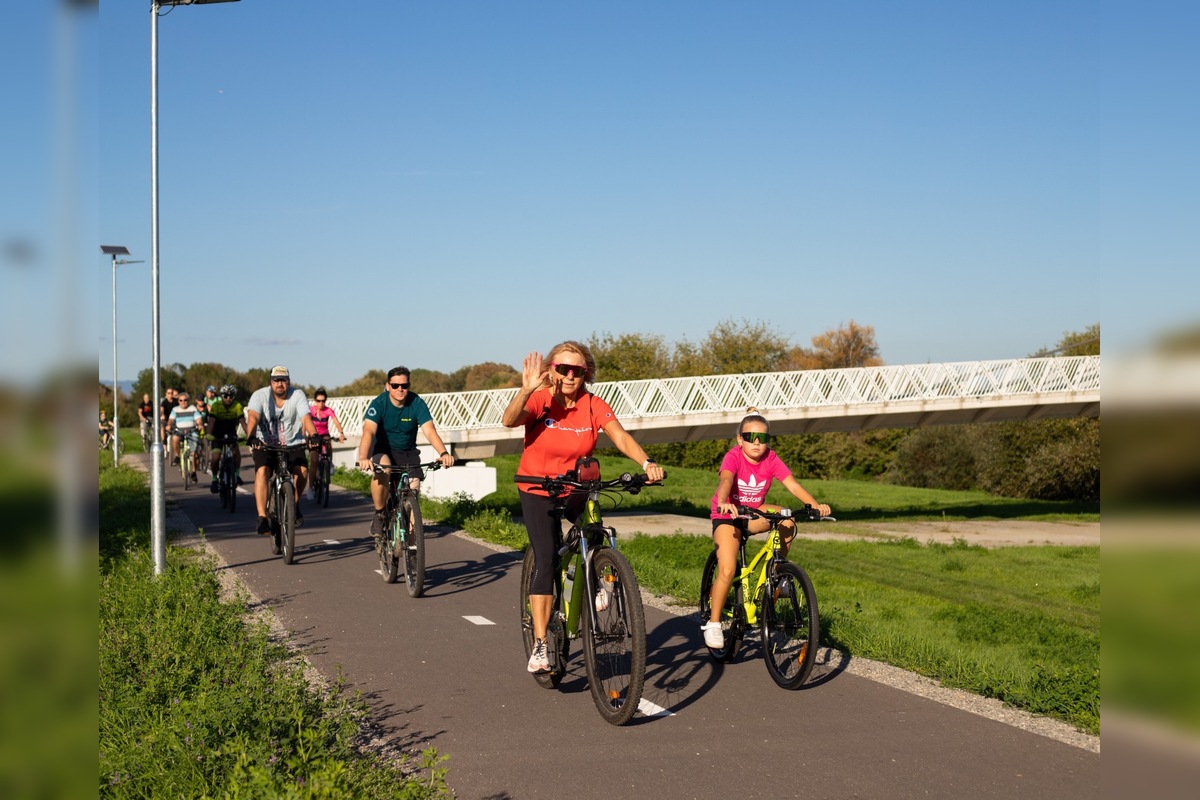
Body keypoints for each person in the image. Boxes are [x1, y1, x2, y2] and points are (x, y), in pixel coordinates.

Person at [501, 341, 665, 674]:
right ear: (551, 370)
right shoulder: (540, 398)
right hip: (537, 487)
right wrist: (525, 390)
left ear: (585, 373)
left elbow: (619, 436)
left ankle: (597, 577)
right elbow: (509, 420)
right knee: (546, 558)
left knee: (595, 528)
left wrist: (647, 463)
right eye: (562, 369)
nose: (570, 376)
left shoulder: (592, 404)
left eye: (577, 370)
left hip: (574, 485)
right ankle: (541, 643)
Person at [701, 409, 831, 649]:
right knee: (728, 570)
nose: (757, 443)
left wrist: (815, 506)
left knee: (788, 519)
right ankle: (714, 623)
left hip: (755, 512)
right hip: (728, 515)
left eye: (763, 438)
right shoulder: (733, 456)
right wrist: (723, 500)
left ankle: (777, 573)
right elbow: (726, 480)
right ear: (740, 439)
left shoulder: (771, 458)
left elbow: (792, 484)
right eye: (750, 437)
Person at [355, 367, 455, 537]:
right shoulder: (379, 403)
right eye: (395, 385)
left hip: (408, 452)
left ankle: (412, 545)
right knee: (383, 468)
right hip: (384, 450)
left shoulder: (416, 402)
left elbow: (429, 430)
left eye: (404, 385)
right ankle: (380, 513)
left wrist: (444, 453)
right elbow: (369, 431)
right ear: (388, 386)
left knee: (413, 489)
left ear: (409, 385)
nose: (400, 389)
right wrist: (363, 457)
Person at [244, 366, 318, 535]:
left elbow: (306, 417)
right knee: (262, 472)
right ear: (270, 382)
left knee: (303, 471)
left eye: (283, 380)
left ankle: (294, 504)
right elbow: (253, 416)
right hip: (264, 444)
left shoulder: (297, 395)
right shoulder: (259, 395)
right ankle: (262, 517)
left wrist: (313, 435)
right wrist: (252, 436)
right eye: (276, 380)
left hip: (293, 443)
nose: (279, 383)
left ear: (288, 381)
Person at [206, 384, 247, 493]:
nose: (228, 398)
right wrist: (208, 434)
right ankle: (215, 479)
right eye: (226, 396)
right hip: (217, 433)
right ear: (222, 396)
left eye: (231, 396)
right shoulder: (216, 405)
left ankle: (237, 475)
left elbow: (242, 422)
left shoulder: (237, 405)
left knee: (236, 452)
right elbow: (211, 422)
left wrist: (250, 435)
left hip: (230, 432)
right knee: (215, 457)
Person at [307, 387, 346, 500]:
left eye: (323, 401)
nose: (321, 403)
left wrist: (341, 433)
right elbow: (305, 424)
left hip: (324, 435)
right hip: (313, 437)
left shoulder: (328, 410)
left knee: (328, 443)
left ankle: (330, 463)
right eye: (319, 401)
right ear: (315, 400)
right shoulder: (310, 410)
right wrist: (305, 438)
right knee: (314, 461)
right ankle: (310, 488)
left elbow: (336, 422)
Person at [167, 392, 205, 480]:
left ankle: (193, 472)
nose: (183, 402)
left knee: (194, 453)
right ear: (178, 401)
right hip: (179, 431)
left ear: (188, 400)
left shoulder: (193, 409)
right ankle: (177, 456)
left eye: (185, 400)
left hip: (191, 431)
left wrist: (200, 424)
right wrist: (169, 425)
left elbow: (198, 419)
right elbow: (171, 420)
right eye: (181, 400)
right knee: (175, 439)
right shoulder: (175, 409)